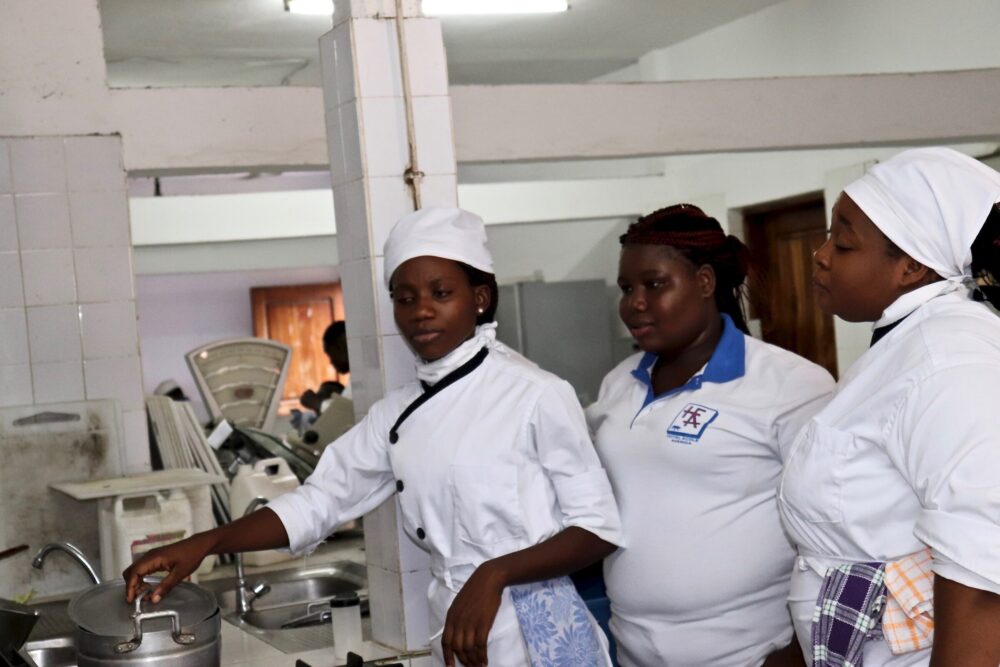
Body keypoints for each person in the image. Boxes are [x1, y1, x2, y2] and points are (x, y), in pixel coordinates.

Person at [124, 207, 624, 667]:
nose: (421, 311)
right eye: (405, 299)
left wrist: (494, 574)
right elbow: (320, 502)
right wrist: (206, 542)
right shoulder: (396, 413)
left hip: (538, 628)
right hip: (456, 627)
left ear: (480, 298)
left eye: (441, 293)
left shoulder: (535, 394)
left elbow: (597, 528)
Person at [778, 147, 1000, 666]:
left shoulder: (947, 362)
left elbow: (984, 576)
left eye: (844, 241)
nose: (821, 254)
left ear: (910, 266)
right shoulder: (907, 344)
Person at [586, 204, 834, 666]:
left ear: (703, 282)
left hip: (751, 653)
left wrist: (800, 651)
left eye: (654, 284)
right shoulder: (619, 382)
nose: (634, 302)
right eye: (626, 288)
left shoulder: (790, 385)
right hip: (633, 651)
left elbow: (841, 531)